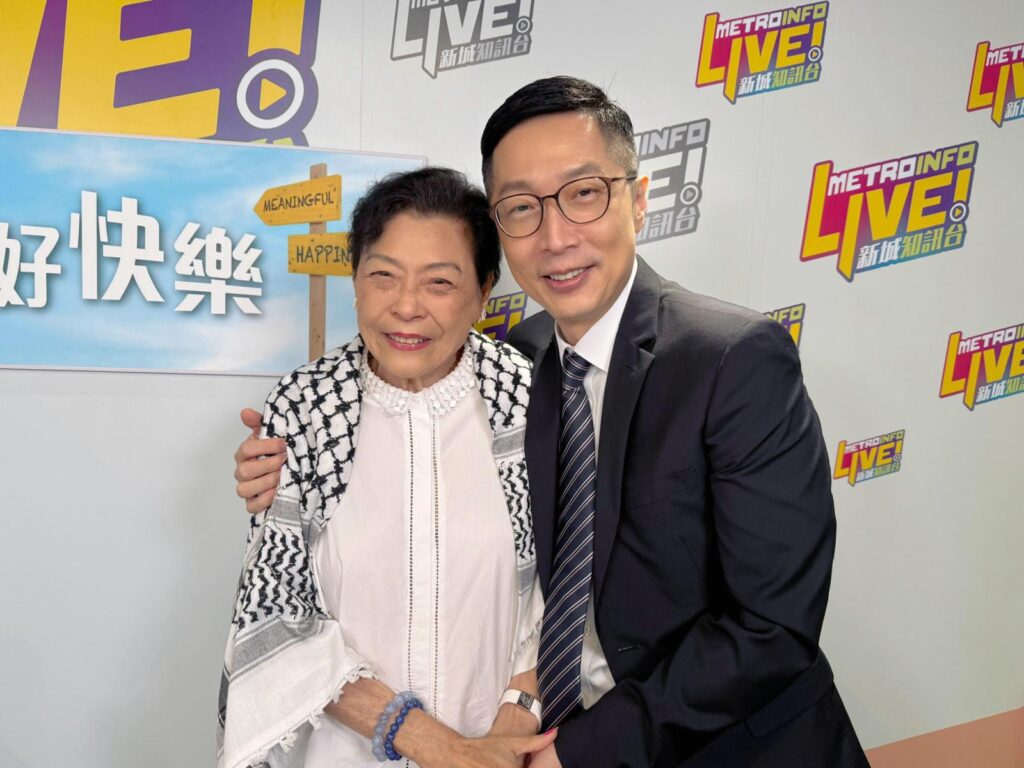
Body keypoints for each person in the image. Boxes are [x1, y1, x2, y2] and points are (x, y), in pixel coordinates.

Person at [235, 77, 870, 767]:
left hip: (729, 750)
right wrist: (283, 465)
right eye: (521, 208)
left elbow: (771, 627)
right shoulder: (521, 365)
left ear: (639, 199)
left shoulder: (733, 359)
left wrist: (570, 748)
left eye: (584, 193)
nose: (557, 236)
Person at [219, 167, 557, 768]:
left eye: (439, 282)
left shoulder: (532, 400)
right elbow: (281, 615)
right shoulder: (302, 412)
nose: (406, 307)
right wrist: (438, 746)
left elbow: (571, 589)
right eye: (383, 276)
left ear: (484, 291)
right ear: (354, 280)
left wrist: (515, 717)